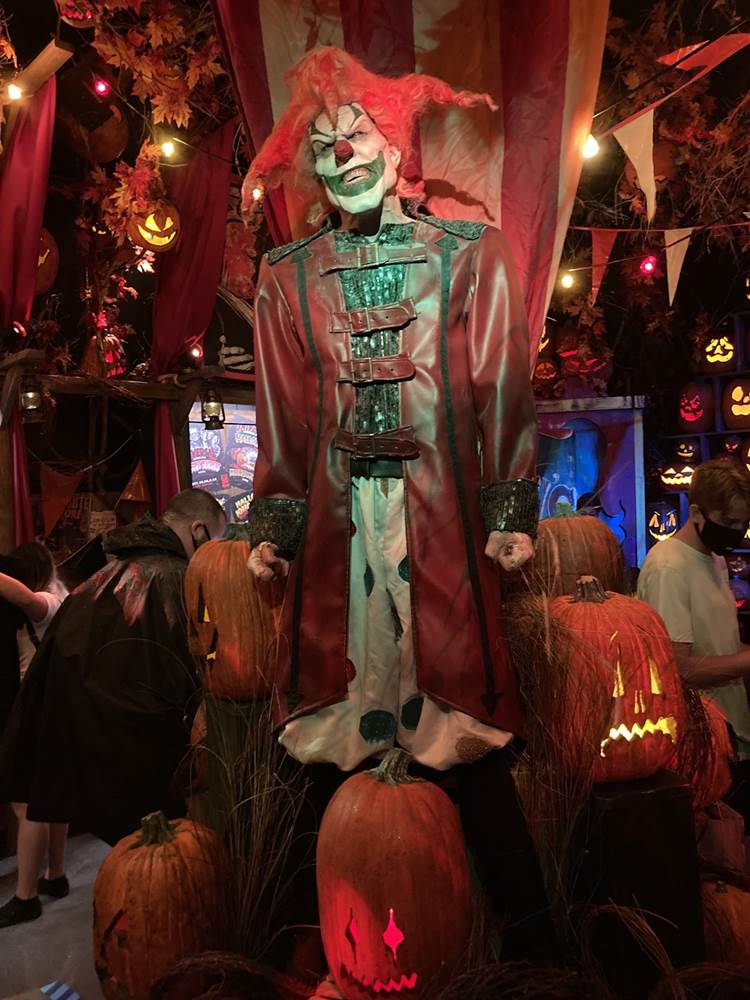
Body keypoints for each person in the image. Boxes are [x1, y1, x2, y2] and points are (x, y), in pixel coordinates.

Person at [243, 47, 554, 964]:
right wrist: (275, 526)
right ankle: (288, 954)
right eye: (324, 145)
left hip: (440, 524)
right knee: (328, 728)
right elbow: (285, 420)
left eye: (356, 135)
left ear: (395, 143)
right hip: (340, 534)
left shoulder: (469, 256)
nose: (341, 155)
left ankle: (533, 957)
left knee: (459, 727)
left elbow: (501, 388)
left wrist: (509, 509)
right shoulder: (287, 277)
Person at [0, 488, 226, 927]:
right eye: (212, 543)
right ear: (198, 531)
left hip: (96, 750)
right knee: (168, 888)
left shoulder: (95, 583)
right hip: (157, 761)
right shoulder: (180, 581)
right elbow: (199, 669)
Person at [638, 458, 750, 822]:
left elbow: (720, 647)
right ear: (697, 511)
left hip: (733, 736)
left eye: (743, 523)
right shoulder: (668, 567)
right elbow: (679, 669)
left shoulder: (713, 558)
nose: (736, 532)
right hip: (703, 745)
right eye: (729, 522)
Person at [0, 543, 69, 922]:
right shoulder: (63, 595)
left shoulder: (47, 602)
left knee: (26, 804)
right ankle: (55, 875)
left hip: (35, 709)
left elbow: (25, 598)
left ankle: (26, 898)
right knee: (52, 796)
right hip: (54, 706)